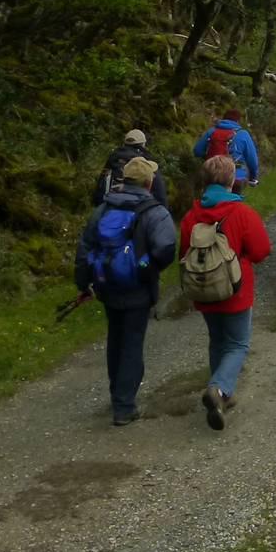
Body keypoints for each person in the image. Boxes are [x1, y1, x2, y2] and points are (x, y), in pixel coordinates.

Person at [75, 156, 178, 425]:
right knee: (132, 343)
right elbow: (166, 247)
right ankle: (124, 406)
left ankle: (117, 394)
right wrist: (149, 267)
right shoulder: (154, 211)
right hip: (138, 289)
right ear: (149, 181)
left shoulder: (103, 209)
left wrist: (84, 282)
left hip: (107, 285)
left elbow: (86, 246)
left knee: (116, 340)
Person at [177, 155, 271, 431]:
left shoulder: (191, 215)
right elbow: (261, 250)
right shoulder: (241, 213)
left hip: (203, 290)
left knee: (217, 340)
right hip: (234, 289)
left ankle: (221, 395)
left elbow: (184, 252)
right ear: (231, 181)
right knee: (239, 343)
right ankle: (218, 389)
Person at [92, 128, 167, 207]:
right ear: (143, 145)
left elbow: (100, 188)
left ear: (124, 144)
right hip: (140, 210)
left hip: (110, 207)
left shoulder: (113, 159)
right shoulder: (146, 164)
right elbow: (160, 194)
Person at [193, 109, 260, 192]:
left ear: (223, 119)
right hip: (235, 177)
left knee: (211, 202)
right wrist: (253, 177)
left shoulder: (212, 131)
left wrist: (210, 159)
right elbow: (252, 159)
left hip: (212, 175)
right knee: (233, 201)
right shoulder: (243, 134)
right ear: (238, 121)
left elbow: (197, 151)